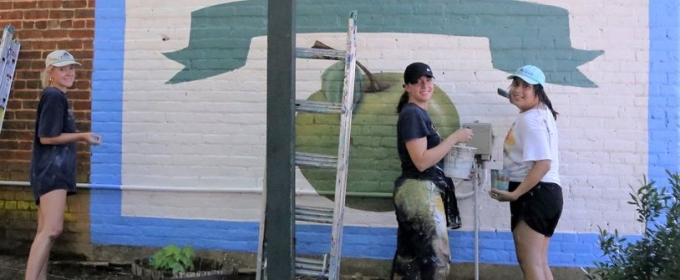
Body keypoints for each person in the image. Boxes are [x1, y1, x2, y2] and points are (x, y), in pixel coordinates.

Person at [391, 62, 474, 279]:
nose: (424, 85)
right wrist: (455, 137)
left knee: (409, 260)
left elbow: (429, 157)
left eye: (428, 80)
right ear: (407, 87)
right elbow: (420, 161)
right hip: (419, 191)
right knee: (436, 261)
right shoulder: (413, 115)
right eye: (417, 81)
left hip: (417, 191)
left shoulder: (417, 114)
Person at [25, 50, 101, 280]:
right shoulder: (54, 95)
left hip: (48, 171)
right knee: (52, 230)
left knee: (44, 232)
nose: (69, 72)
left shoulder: (56, 95)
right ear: (50, 72)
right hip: (51, 172)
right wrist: (82, 136)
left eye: (71, 68)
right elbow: (46, 137)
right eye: (63, 68)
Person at [489, 65, 563, 280]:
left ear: (538, 91)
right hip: (547, 195)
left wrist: (515, 193)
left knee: (530, 265)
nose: (517, 89)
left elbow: (543, 163)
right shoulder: (543, 113)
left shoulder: (530, 120)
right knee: (539, 263)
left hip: (534, 195)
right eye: (515, 84)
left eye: (525, 86)